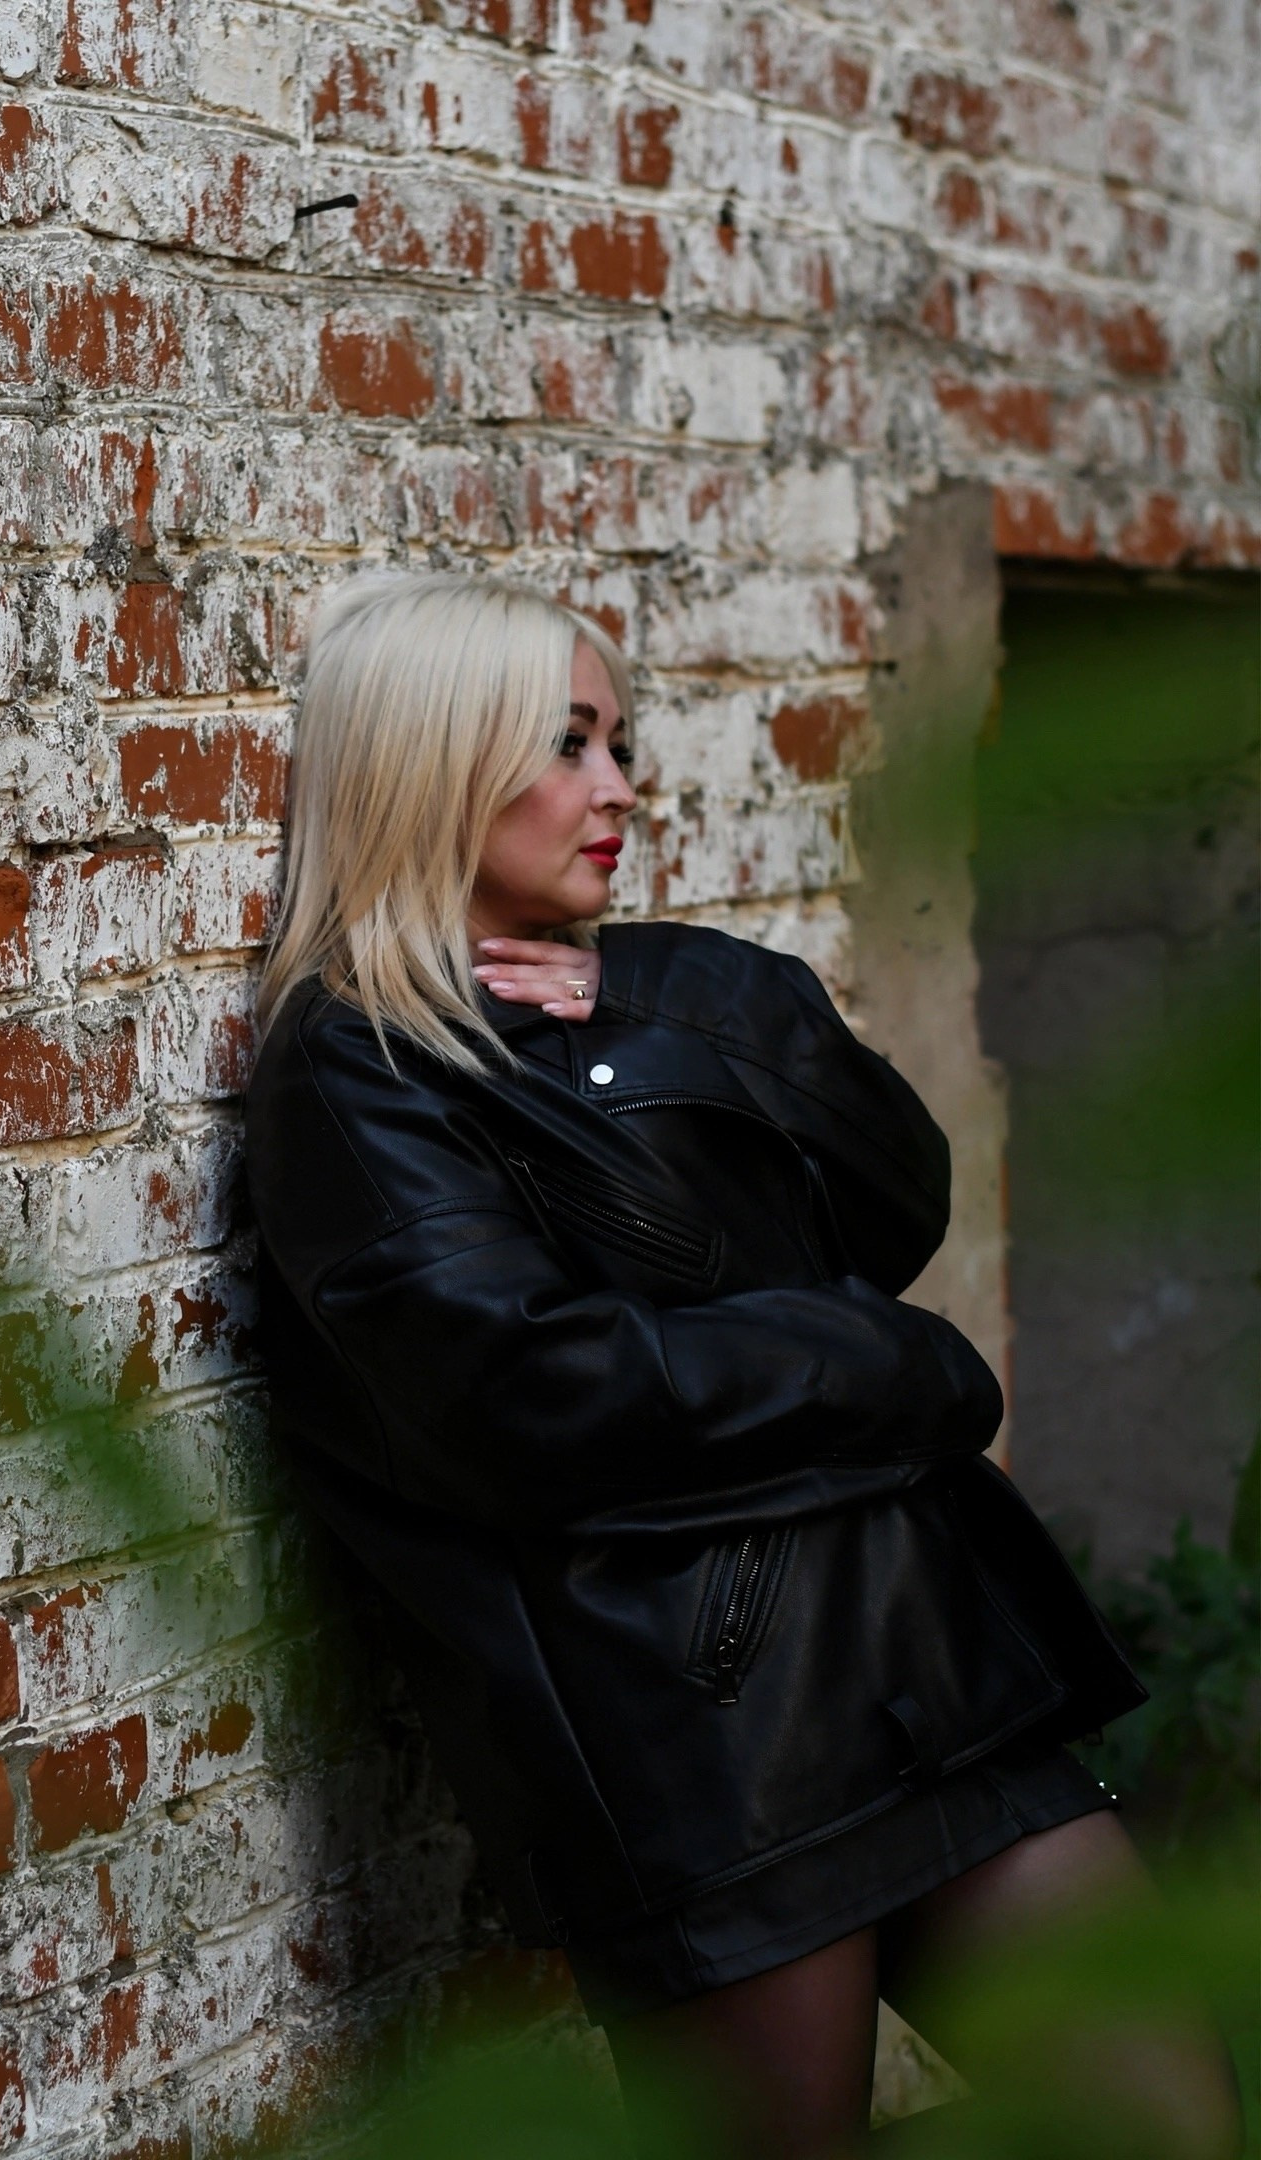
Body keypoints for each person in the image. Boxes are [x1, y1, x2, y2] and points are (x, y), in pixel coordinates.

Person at [244, 571, 1241, 2159]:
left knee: (1169, 2123)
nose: (618, 788)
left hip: (932, 1664)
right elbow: (540, 1396)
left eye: (621, 744)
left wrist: (670, 1005)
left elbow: (897, 1193)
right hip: (709, 1739)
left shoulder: (658, 987)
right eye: (568, 743)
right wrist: (883, 1360)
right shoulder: (360, 1067)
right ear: (435, 759)